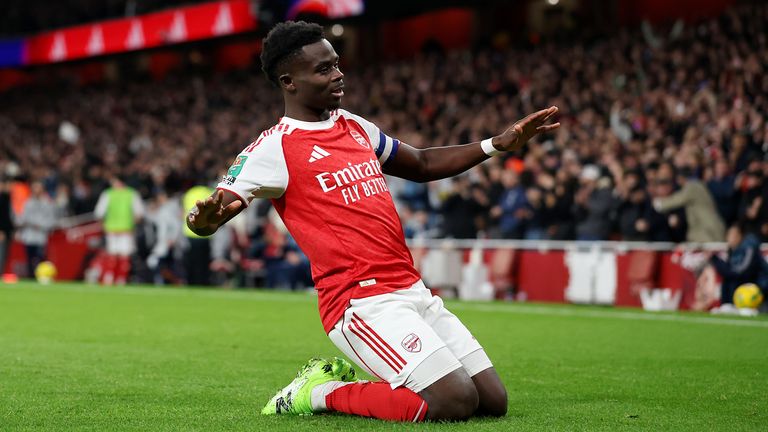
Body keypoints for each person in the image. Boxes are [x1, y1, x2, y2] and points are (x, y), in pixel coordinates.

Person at [186, 21, 559, 422]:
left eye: (336, 64)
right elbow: (216, 211)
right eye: (324, 69)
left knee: (491, 402)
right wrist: (205, 222)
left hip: (411, 289)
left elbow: (422, 163)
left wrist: (494, 145)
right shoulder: (273, 148)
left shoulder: (353, 125)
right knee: (452, 402)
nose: (338, 74)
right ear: (288, 82)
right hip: (360, 302)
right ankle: (321, 393)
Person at [94, 176, 145, 285]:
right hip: (126, 229)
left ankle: (109, 278)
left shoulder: (108, 194)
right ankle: (120, 279)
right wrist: (133, 224)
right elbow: (139, 213)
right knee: (124, 255)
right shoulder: (132, 194)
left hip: (112, 229)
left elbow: (99, 212)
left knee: (113, 254)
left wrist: (103, 225)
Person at [709, 224, 768, 313]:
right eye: (728, 235)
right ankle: (727, 305)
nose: (729, 238)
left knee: (733, 277)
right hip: (748, 284)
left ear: (740, 235)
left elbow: (741, 272)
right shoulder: (734, 251)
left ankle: (748, 307)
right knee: (728, 277)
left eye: (732, 234)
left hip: (760, 285)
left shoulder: (749, 247)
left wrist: (716, 261)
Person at [16, 181, 57, 278]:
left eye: (38, 188)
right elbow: (22, 218)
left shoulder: (47, 203)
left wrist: (40, 225)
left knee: (40, 259)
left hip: (41, 237)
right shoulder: (28, 203)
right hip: (29, 236)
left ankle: (42, 276)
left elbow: (51, 221)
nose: (36, 191)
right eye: (34, 188)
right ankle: (31, 277)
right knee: (29, 259)